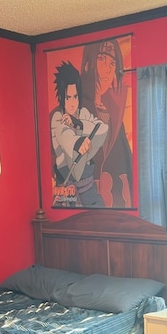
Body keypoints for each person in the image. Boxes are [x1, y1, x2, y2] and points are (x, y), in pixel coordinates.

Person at [80, 39, 133, 208]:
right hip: (88, 202)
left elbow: (127, 163)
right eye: (101, 59)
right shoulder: (73, 112)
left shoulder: (114, 117)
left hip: (116, 203)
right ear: (89, 64)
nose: (108, 69)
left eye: (112, 63)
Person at [50, 61, 108, 208]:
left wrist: (79, 124)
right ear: (61, 97)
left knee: (102, 221)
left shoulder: (83, 113)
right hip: (68, 189)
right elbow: (65, 136)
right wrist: (78, 142)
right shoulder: (57, 117)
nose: (72, 103)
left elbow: (102, 128)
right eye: (67, 97)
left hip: (88, 186)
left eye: (75, 97)